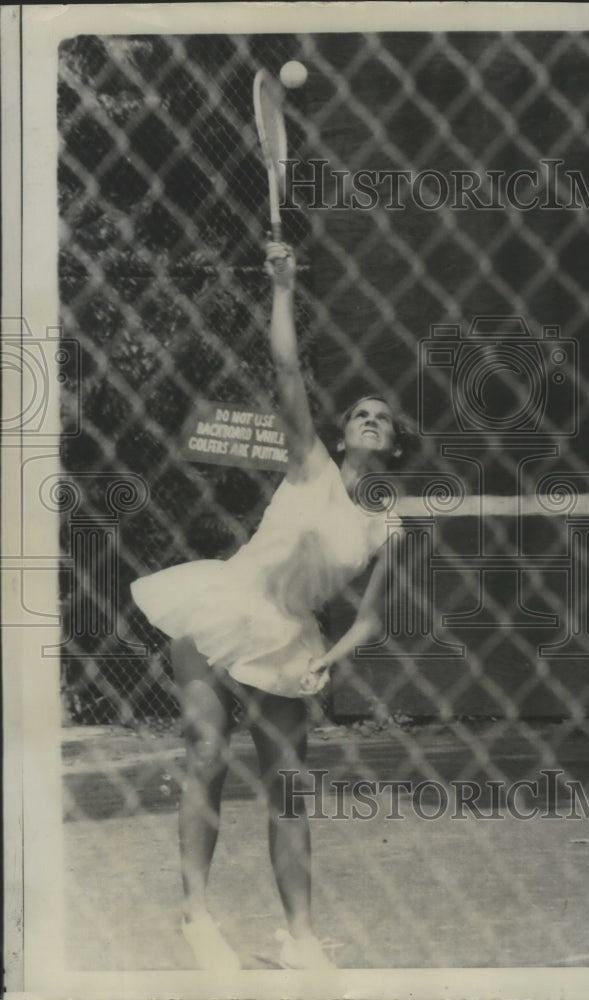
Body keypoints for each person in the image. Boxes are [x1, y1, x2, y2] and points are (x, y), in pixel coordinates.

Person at [131, 241, 405, 972]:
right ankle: (196, 915)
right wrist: (281, 287)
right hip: (222, 606)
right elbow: (286, 372)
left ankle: (300, 939)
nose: (372, 420)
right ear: (342, 433)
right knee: (210, 752)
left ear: (396, 444)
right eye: (361, 412)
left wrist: (328, 659)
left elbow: (372, 619)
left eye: (385, 418)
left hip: (291, 641)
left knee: (288, 788)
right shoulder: (309, 464)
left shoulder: (388, 525)